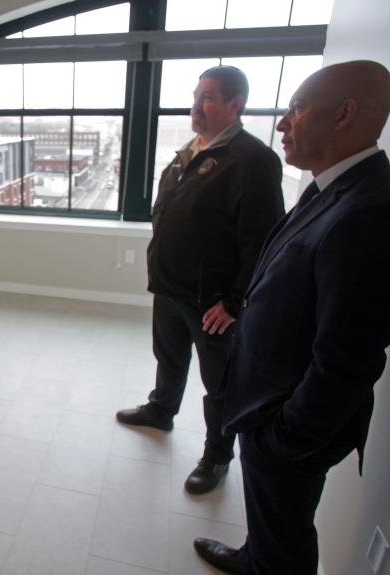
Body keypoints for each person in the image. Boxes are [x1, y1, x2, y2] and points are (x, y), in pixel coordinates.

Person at [187, 61, 390, 575]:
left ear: (345, 114)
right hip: (267, 398)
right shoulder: (334, 187)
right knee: (271, 519)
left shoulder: (375, 212)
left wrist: (287, 435)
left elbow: (347, 358)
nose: (283, 125)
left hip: (290, 418)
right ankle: (253, 559)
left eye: (297, 110)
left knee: (289, 531)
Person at [116, 65, 284, 495]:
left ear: (236, 105)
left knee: (221, 383)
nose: (197, 105)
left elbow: (262, 240)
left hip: (212, 303)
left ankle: (217, 456)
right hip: (170, 287)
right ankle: (161, 410)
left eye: (208, 97)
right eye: (195, 96)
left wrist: (233, 302)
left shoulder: (253, 161)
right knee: (168, 358)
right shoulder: (192, 151)